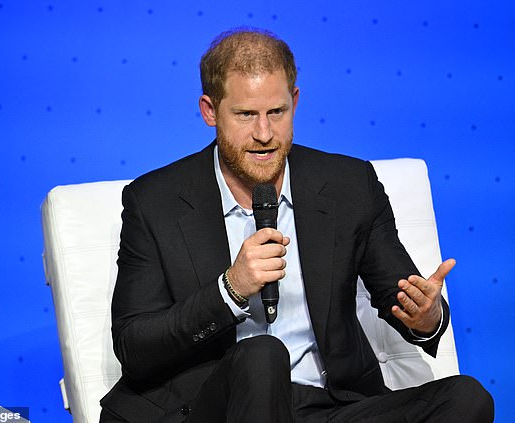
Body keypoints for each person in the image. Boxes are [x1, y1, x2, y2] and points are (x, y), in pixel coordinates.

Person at [100, 28, 493, 422]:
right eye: (245, 115)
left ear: (296, 102)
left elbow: (401, 295)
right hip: (214, 408)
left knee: (466, 399)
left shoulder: (349, 185)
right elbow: (135, 348)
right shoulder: (155, 201)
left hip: (327, 406)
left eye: (277, 112)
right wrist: (230, 289)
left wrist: (427, 317)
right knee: (262, 355)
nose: (264, 134)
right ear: (209, 111)